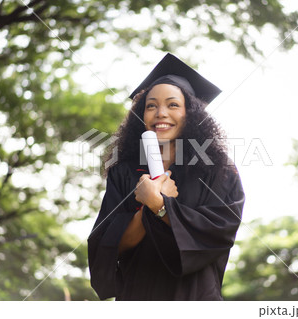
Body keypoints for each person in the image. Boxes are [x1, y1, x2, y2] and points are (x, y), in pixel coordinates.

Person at [87, 53, 245, 301]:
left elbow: (218, 234)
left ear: (190, 113)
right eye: (151, 105)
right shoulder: (124, 171)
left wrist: (159, 205)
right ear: (142, 114)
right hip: (137, 296)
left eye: (173, 105)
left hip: (195, 298)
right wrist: (148, 209)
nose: (161, 113)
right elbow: (110, 245)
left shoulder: (218, 170)